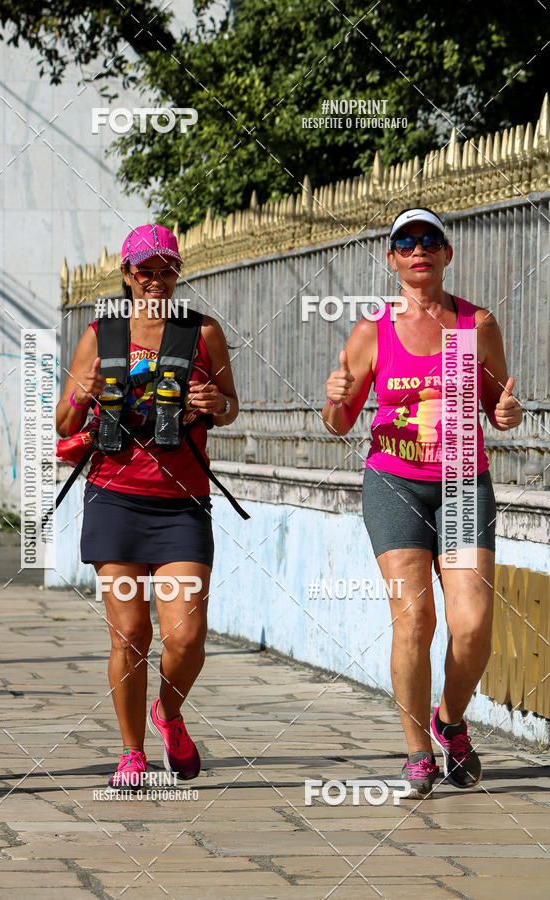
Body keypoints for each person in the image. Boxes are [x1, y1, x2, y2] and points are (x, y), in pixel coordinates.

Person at [322, 207, 522, 799]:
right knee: (414, 619)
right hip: (395, 483)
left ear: (446, 254)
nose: (419, 250)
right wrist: (334, 398)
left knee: (473, 625)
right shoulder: (373, 330)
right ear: (392, 259)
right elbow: (338, 423)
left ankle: (450, 721)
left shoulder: (476, 324)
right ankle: (417, 752)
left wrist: (508, 413)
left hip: (462, 481)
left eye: (429, 240)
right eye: (405, 243)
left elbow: (499, 407)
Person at [55, 224, 239, 786]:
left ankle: (169, 713)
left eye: (167, 269)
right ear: (127, 274)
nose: (156, 279)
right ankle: (131, 754)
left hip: (182, 503)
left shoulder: (202, 332)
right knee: (130, 635)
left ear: (178, 272)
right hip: (114, 499)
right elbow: (63, 424)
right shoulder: (100, 334)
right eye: (145, 270)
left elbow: (231, 406)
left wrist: (215, 401)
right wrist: (83, 394)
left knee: (186, 637)